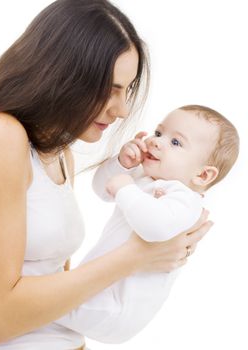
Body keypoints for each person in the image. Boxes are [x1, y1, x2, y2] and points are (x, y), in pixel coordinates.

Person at [0, 1, 212, 349]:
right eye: (110, 89)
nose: (123, 110)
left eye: (127, 89)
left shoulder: (59, 152)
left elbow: (56, 288)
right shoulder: (1, 136)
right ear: (59, 74)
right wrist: (138, 255)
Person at [55, 105, 239, 343]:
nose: (156, 142)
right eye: (159, 133)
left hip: (114, 309)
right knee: (47, 302)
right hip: (95, 290)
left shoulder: (186, 200)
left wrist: (125, 188)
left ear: (203, 176)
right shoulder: (145, 179)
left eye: (176, 143)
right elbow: (102, 189)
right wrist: (122, 164)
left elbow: (154, 228)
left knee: (40, 299)